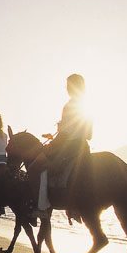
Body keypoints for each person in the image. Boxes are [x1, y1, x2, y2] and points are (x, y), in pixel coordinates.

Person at [47, 73, 92, 220]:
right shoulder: (88, 105)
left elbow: (65, 135)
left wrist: (53, 142)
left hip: (70, 147)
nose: (66, 89)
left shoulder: (69, 106)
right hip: (84, 147)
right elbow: (89, 134)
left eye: (68, 86)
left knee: (39, 166)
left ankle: (40, 206)